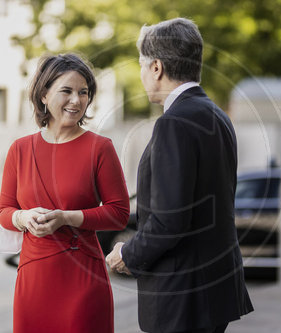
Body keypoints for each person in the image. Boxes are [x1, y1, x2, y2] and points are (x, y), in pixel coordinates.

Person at [106, 18, 253, 333]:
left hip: (183, 297)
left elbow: (170, 221)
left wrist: (127, 254)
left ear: (156, 67)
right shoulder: (216, 115)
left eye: (142, 65)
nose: (142, 74)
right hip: (214, 291)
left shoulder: (174, 123)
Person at [0, 53, 130, 333]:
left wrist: (66, 217)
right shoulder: (19, 150)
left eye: (84, 92)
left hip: (83, 277)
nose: (77, 100)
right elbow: (4, 212)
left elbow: (119, 214)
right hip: (34, 280)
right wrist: (23, 218)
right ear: (44, 95)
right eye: (67, 91)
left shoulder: (100, 147)